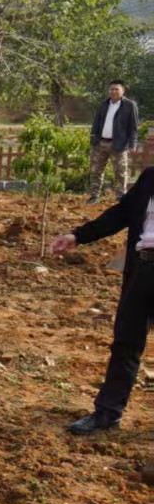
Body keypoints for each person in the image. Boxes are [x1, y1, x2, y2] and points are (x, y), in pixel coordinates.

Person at [51, 129, 154, 433]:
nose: (149, 142)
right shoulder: (149, 178)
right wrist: (77, 236)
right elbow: (120, 213)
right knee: (126, 344)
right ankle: (107, 414)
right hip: (143, 270)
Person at [88, 80, 140, 205]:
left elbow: (133, 128)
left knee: (120, 173)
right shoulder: (103, 104)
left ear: (123, 91)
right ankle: (94, 196)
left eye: (117, 89)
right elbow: (96, 122)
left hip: (119, 145)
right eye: (111, 89)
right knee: (96, 171)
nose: (114, 91)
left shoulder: (129, 105)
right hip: (100, 144)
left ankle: (121, 197)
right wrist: (94, 137)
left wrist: (133, 144)